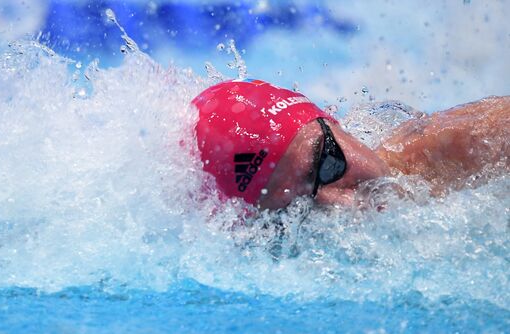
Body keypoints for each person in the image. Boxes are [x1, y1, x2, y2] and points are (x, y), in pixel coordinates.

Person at [192, 79, 509, 210]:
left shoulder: (459, 148)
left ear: (332, 120)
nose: (343, 205)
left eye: (329, 164)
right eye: (300, 210)